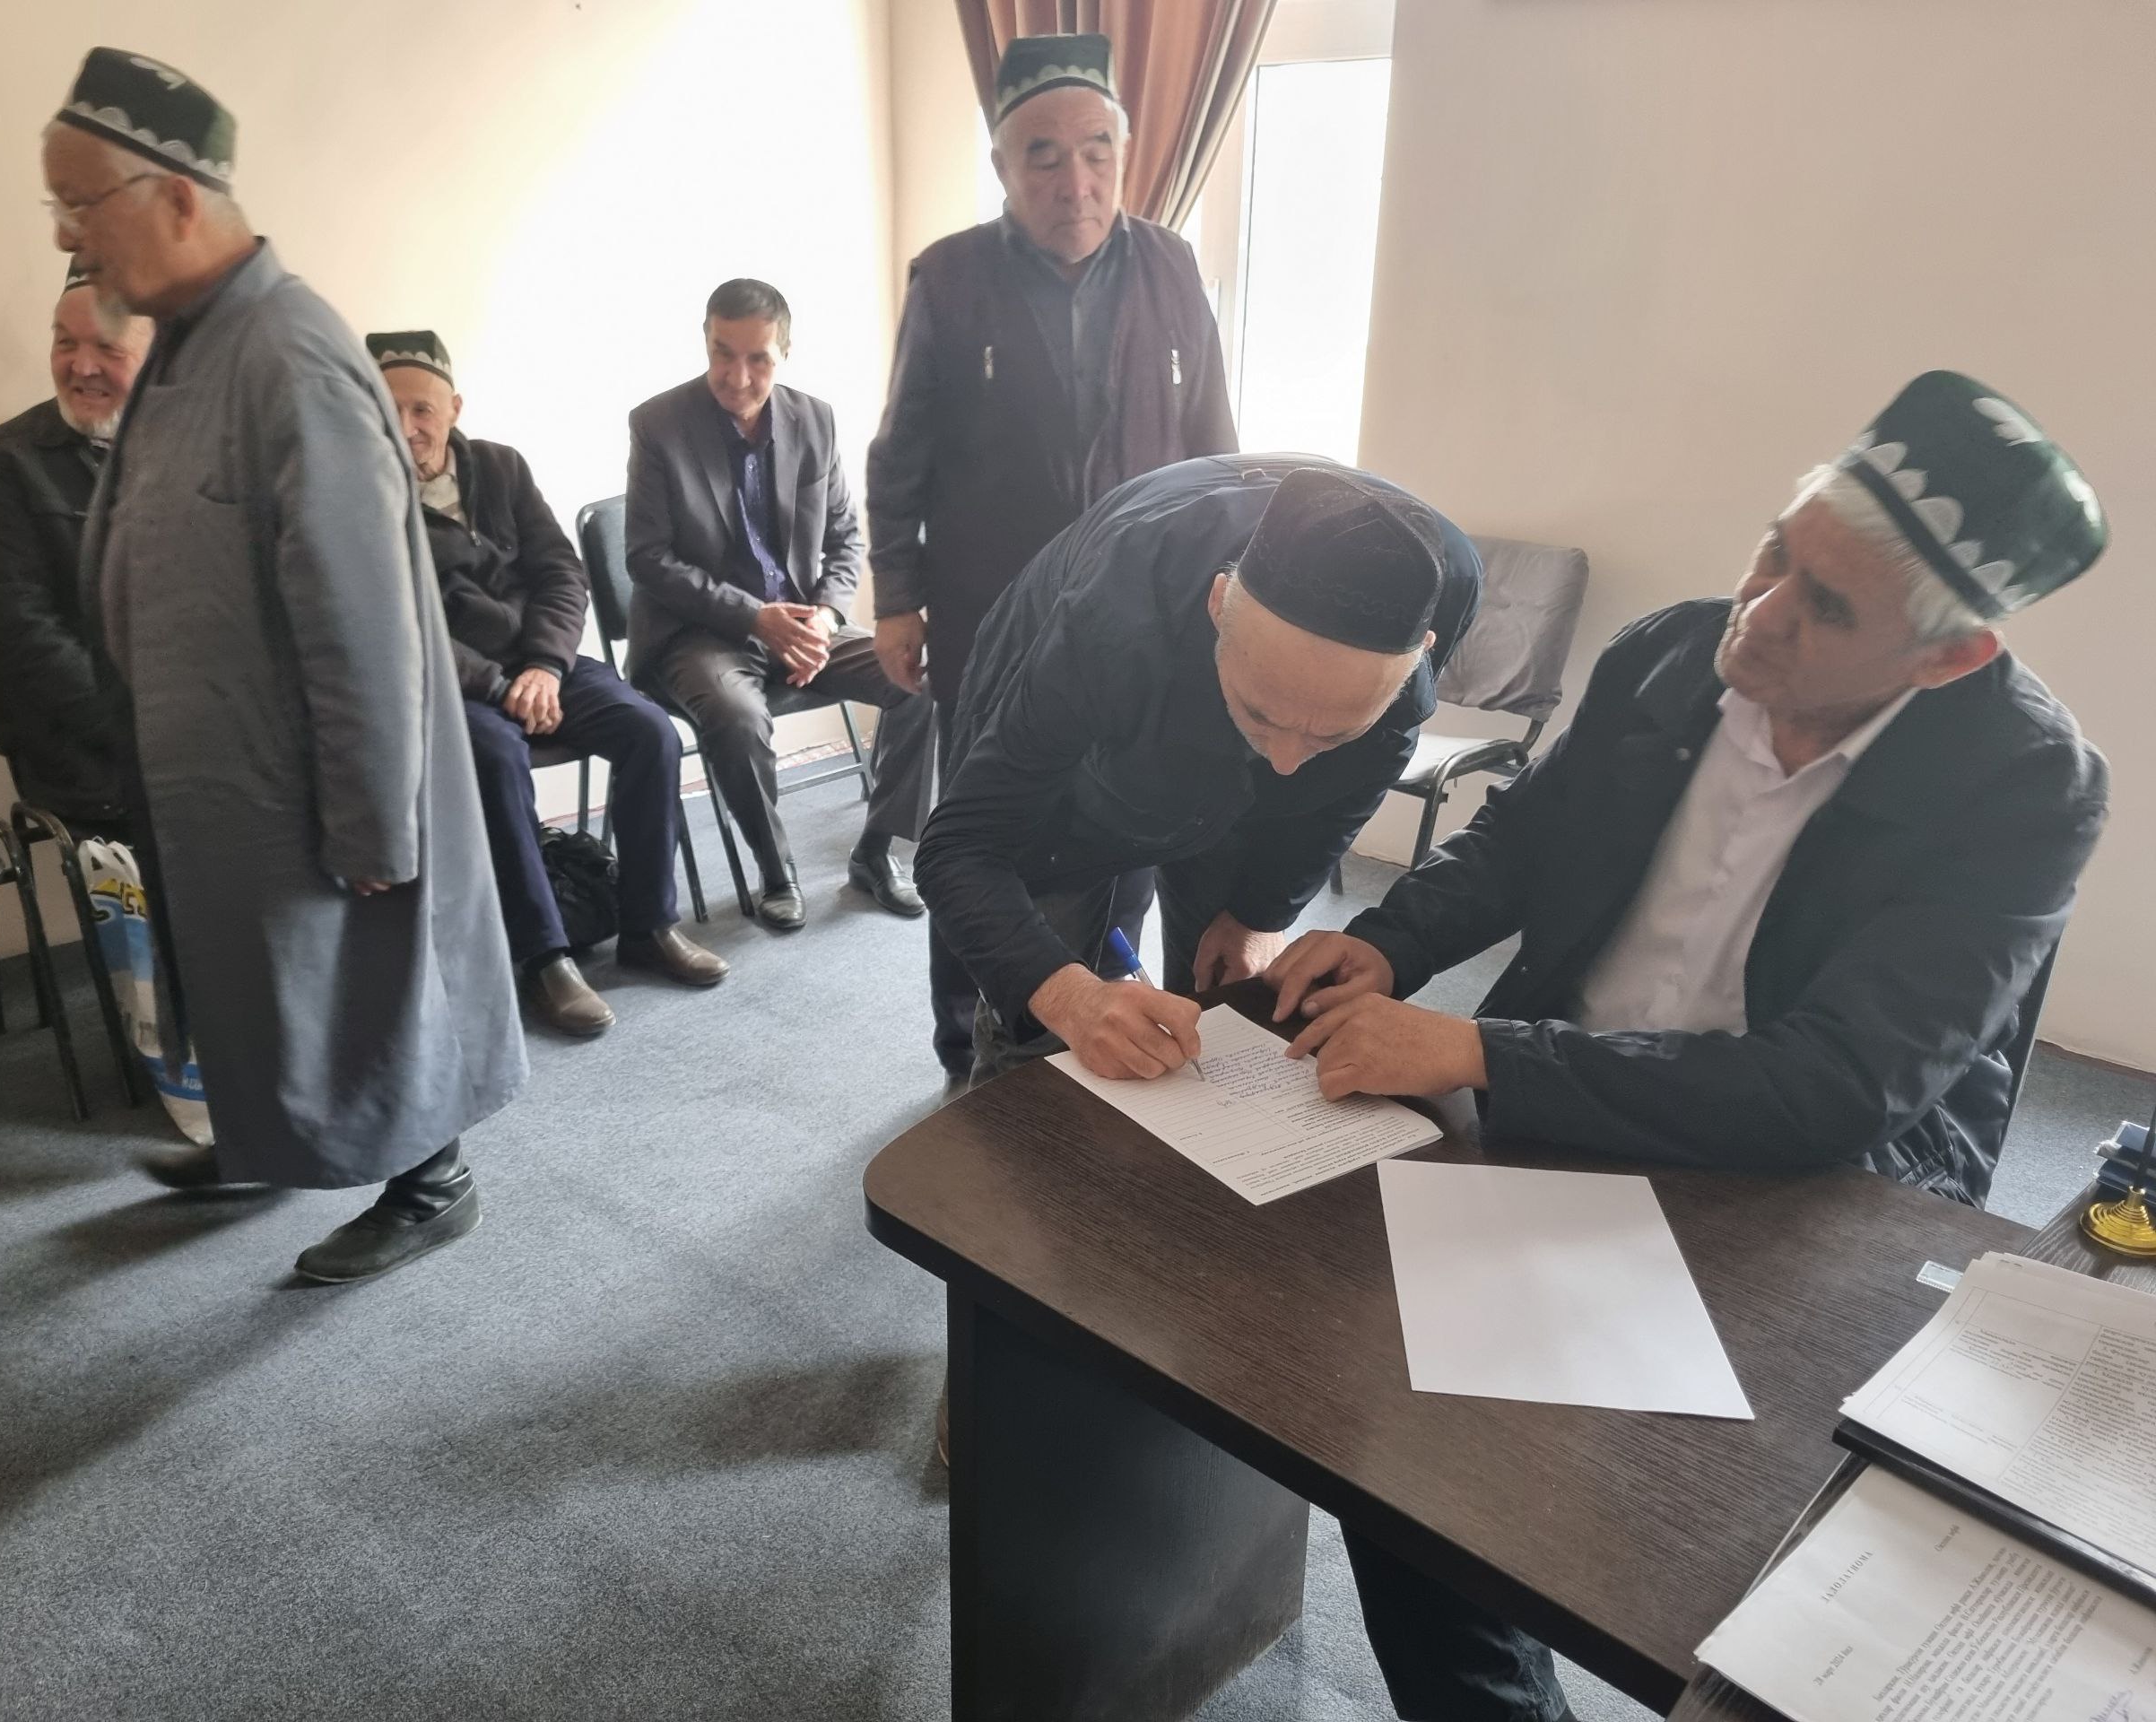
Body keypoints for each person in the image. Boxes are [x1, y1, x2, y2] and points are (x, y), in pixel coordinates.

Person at [1263, 371, 2110, 1722]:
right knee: (1408, 1456)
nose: (1758, 613)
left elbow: (1838, 1089)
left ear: (1949, 658)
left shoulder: (2026, 784)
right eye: (1774, 550)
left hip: (1816, 1185)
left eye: (1825, 605)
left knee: (1719, 1550)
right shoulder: (1672, 649)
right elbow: (1523, 840)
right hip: (1559, 1099)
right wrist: (1390, 943)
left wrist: (1485, 1057)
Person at [44, 48, 523, 1283]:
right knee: (253, 979)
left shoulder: (289, 354)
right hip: (219, 765)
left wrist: (371, 823)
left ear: (176, 198)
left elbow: (362, 621)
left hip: (303, 774)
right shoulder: (190, 338)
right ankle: (261, 1139)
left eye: (81, 203)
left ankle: (433, 1181)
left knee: (364, 979)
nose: (66, 236)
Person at [866, 31, 1238, 1076]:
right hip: (991, 621)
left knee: (1122, 828)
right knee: (980, 837)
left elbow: (1216, 445)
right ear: (1002, 165)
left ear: (1122, 154)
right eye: (1043, 154)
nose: (1074, 180)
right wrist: (896, 598)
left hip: (1147, 624)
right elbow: (899, 455)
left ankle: (1099, 1017)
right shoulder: (949, 278)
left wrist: (1228, 583)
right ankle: (964, 1043)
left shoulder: (1169, 265)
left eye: (1095, 151)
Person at [917, 455, 1479, 1087]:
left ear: (1419, 655)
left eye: (1333, 733)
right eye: (1260, 713)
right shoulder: (1112, 623)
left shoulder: (1448, 585)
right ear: (1218, 605)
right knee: (1048, 1016)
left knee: (1222, 987)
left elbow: (1358, 777)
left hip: (1187, 679)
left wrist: (1260, 911)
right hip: (1085, 682)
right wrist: (1069, 996)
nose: (1286, 763)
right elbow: (959, 849)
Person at [369, 329, 727, 1038]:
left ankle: (648, 925)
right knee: (496, 758)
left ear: (454, 408)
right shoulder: (363, 496)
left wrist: (544, 667)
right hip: (453, 682)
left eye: (422, 409)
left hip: (544, 664)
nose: (407, 427)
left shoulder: (501, 467)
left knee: (649, 731)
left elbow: (561, 573)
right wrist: (500, 685)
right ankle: (544, 958)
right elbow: (395, 623)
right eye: (389, 410)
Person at [625, 278, 933, 931]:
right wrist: (753, 617)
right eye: (723, 353)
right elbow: (647, 559)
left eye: (758, 359)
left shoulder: (814, 419)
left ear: (784, 353)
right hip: (700, 632)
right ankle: (775, 871)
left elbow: (845, 538)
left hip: (801, 621)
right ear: (705, 342)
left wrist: (825, 615)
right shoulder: (658, 425)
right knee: (737, 717)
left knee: (920, 678)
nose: (738, 377)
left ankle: (876, 852)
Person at [0, 263, 153, 837]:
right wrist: (138, 726)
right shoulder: (8, 458)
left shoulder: (195, 443)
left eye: (107, 347)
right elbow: (16, 623)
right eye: (65, 343)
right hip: (94, 758)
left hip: (203, 740)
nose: (81, 366)